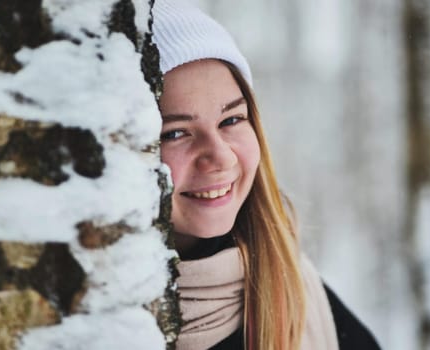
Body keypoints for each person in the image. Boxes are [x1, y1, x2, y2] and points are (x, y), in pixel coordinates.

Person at [152, 1, 381, 349]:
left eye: (231, 120)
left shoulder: (294, 291)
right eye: (175, 132)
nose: (220, 156)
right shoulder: (72, 314)